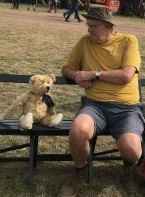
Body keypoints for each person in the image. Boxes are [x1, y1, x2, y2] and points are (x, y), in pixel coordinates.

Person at [59, 5, 144, 197]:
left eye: (92, 26)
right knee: (78, 130)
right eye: (87, 25)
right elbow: (66, 68)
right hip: (95, 105)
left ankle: (129, 171)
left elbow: (126, 75)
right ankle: (80, 172)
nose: (88, 29)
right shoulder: (85, 42)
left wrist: (94, 74)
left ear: (107, 25)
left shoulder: (128, 41)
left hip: (127, 108)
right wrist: (77, 75)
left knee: (132, 150)